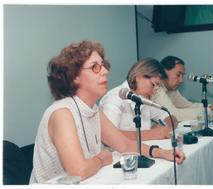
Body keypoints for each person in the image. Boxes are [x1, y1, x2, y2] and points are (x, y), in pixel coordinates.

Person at [30, 41, 185, 183]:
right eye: (95, 67)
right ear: (74, 76)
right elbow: (78, 171)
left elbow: (124, 144)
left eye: (103, 65)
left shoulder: (93, 109)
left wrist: (162, 153)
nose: (105, 71)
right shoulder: (62, 113)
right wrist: (101, 159)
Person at [99, 58, 177, 141]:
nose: (154, 92)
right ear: (138, 77)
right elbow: (108, 136)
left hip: (143, 150)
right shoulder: (114, 98)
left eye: (158, 87)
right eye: (153, 84)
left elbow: (172, 118)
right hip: (116, 153)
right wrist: (153, 133)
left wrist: (164, 128)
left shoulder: (143, 97)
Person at [151, 56, 213, 122]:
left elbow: (189, 106)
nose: (181, 80)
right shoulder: (156, 89)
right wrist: (209, 109)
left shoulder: (172, 89)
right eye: (178, 75)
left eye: (182, 76)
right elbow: (174, 115)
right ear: (164, 72)